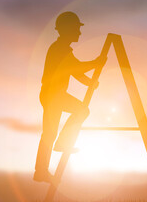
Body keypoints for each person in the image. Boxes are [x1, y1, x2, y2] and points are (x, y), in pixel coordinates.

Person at [33, 11, 106, 183]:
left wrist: (89, 82)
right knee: (76, 114)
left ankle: (44, 166)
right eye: (76, 29)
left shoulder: (63, 49)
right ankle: (46, 164)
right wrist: (96, 63)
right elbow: (75, 67)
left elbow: (73, 70)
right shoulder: (59, 49)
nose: (79, 33)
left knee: (76, 114)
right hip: (53, 96)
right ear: (67, 30)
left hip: (55, 95)